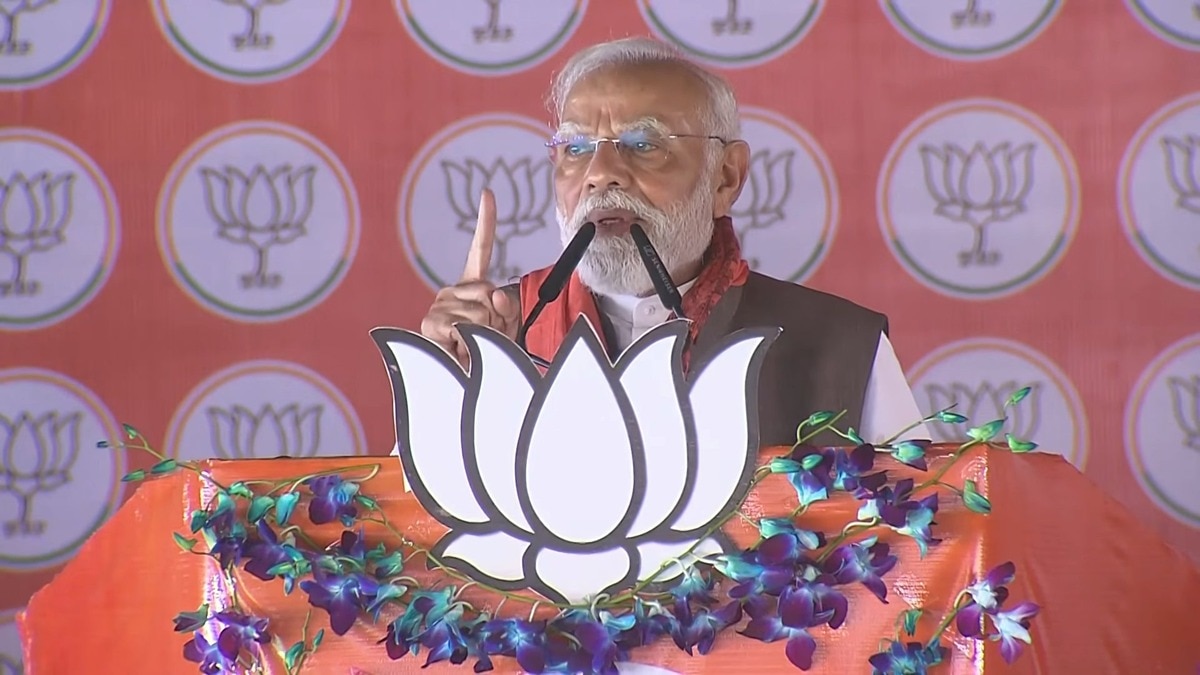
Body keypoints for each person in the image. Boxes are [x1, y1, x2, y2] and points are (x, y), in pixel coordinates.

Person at [418, 36, 930, 447]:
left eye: (643, 145)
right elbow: (408, 542)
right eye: (575, 147)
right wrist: (454, 384)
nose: (599, 175)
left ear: (726, 178)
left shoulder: (839, 344)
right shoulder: (495, 333)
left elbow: (921, 547)